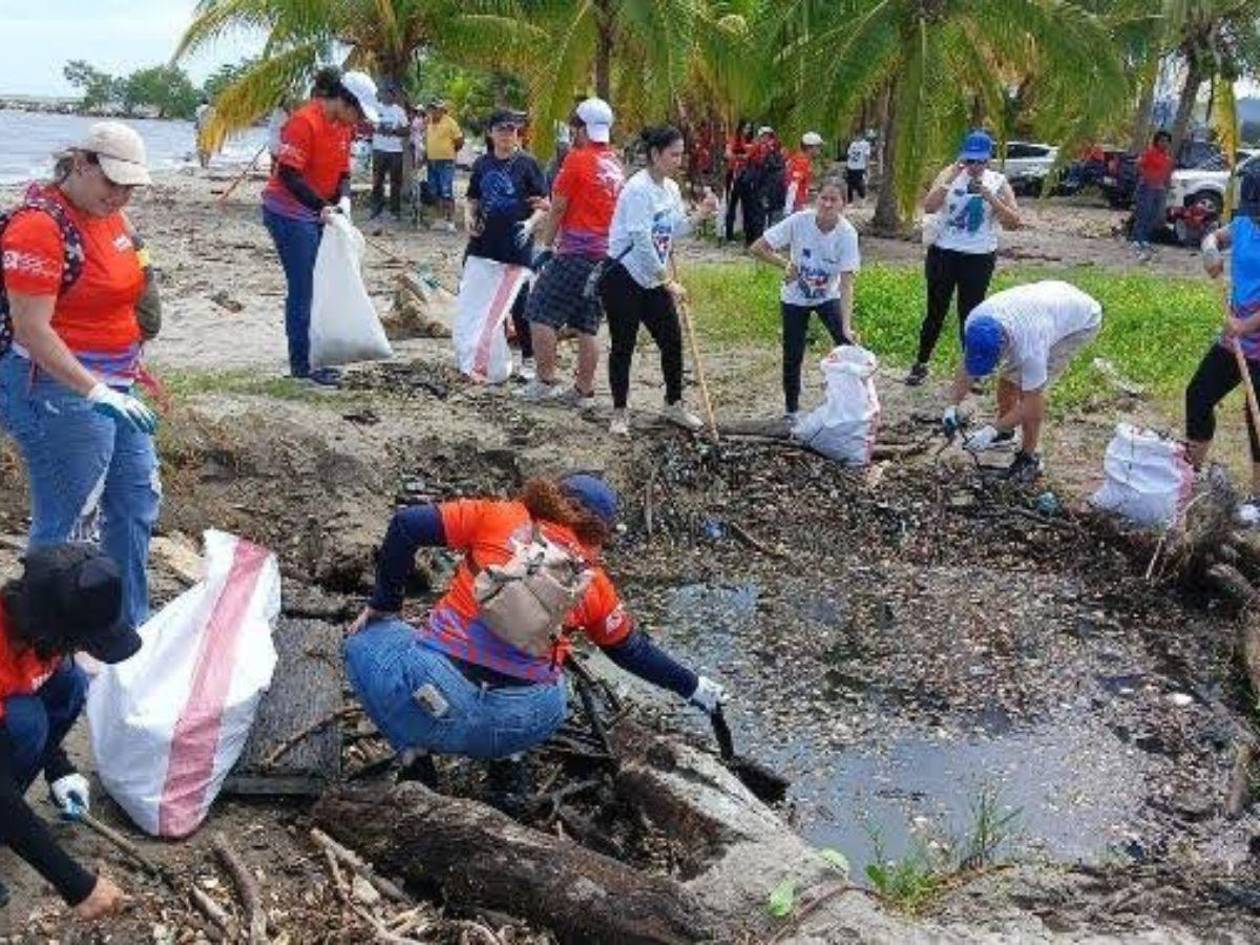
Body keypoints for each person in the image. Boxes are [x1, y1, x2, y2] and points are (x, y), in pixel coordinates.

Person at [343, 474, 727, 811]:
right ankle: (510, 762)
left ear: (552, 495)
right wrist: (695, 687)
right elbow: (632, 651)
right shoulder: (592, 581)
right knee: (556, 684)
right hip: (522, 720)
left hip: (436, 700)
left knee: (361, 642)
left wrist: (385, 605)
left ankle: (415, 757)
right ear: (601, 530)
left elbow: (407, 525)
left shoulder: (498, 516)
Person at [0, 121, 159, 633]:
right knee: (67, 520)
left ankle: (123, 623)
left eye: (129, 187)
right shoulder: (38, 227)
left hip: (118, 381)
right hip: (54, 389)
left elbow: (134, 267)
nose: (119, 196)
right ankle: (42, 643)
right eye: (111, 183)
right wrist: (93, 388)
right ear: (81, 163)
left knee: (135, 501)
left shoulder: (113, 217)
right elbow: (32, 329)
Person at [0, 543, 141, 919]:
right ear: (48, 626)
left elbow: (41, 681)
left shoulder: (37, 629)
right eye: (79, 640)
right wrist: (77, 885)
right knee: (25, 722)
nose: (81, 648)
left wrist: (59, 768)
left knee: (69, 681)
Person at [261, 68, 379, 386]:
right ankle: (302, 366)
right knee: (304, 287)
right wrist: (321, 206)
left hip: (317, 213)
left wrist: (342, 201)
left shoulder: (343, 128)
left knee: (320, 282)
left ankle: (315, 356)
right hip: (287, 212)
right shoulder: (304, 121)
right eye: (357, 111)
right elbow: (289, 174)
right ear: (343, 99)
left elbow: (342, 172)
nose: (358, 119)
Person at [602, 126, 719, 436]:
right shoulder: (637, 189)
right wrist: (667, 281)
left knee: (671, 340)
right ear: (655, 155)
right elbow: (641, 240)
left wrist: (700, 216)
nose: (679, 161)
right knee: (623, 344)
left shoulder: (670, 189)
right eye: (674, 154)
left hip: (653, 278)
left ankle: (673, 403)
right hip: (624, 275)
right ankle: (619, 411)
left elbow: (673, 230)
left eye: (681, 154)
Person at [941, 280, 1102, 482]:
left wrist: (991, 430)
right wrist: (951, 406)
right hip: (1049, 301)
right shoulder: (975, 321)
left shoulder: (1031, 347)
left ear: (1004, 344)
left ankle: (1029, 458)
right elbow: (966, 366)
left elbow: (1033, 405)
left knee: (1029, 389)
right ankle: (1005, 433)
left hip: (1082, 320)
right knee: (1008, 380)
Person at [519, 97, 625, 405]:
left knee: (538, 311)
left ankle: (545, 379)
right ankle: (583, 389)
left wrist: (545, 246)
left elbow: (559, 209)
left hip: (575, 252)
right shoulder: (616, 164)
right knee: (586, 323)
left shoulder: (576, 160)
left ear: (579, 129)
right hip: (604, 256)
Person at [906, 130, 1020, 386]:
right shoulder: (950, 174)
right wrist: (950, 179)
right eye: (970, 160)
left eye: (980, 161)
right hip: (944, 253)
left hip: (978, 257)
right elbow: (929, 206)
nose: (975, 167)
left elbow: (1014, 222)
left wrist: (991, 198)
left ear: (988, 160)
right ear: (962, 158)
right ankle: (921, 362)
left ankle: (973, 370)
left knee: (971, 314)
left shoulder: (999, 181)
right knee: (935, 311)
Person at [749, 176, 861, 420]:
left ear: (844, 204)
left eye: (834, 200)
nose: (827, 204)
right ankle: (791, 409)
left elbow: (846, 284)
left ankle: (850, 403)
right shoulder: (799, 221)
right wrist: (785, 264)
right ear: (816, 198)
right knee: (793, 353)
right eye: (824, 198)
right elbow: (757, 247)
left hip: (826, 296)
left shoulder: (847, 234)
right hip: (795, 297)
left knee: (847, 345)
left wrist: (847, 325)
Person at [1187, 169, 1260, 521]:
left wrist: (1245, 324)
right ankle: (1191, 475)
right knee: (1199, 394)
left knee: (1256, 416)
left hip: (1251, 332)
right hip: (1234, 337)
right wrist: (1209, 251)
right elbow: (1213, 237)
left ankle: (1259, 499)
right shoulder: (1245, 225)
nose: (1254, 215)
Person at [464, 109, 549, 379]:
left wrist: (530, 223)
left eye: (512, 130)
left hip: (516, 244)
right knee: (486, 299)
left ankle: (528, 356)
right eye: (501, 129)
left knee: (518, 302)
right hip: (484, 243)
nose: (507, 135)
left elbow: (544, 204)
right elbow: (473, 198)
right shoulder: (482, 164)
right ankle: (495, 356)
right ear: (490, 132)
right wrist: (468, 218)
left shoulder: (528, 164)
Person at [1132, 130, 1173, 262]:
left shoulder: (1167, 157)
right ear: (1157, 141)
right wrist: (1146, 177)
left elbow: (1167, 173)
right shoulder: (1149, 153)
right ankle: (1137, 239)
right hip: (1147, 187)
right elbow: (1138, 165)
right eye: (1161, 140)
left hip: (1160, 189)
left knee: (1155, 215)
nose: (1164, 143)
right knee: (1143, 212)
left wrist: (1166, 186)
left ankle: (1145, 239)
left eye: (1166, 141)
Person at [370, 84, 409, 222]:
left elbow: (406, 131)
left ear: (394, 96)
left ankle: (395, 211)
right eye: (386, 92)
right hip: (379, 150)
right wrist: (378, 128)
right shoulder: (376, 108)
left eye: (391, 93)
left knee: (395, 182)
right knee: (377, 181)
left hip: (395, 151)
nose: (388, 95)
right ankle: (376, 209)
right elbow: (370, 126)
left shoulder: (399, 111)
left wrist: (392, 131)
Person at [425, 101, 464, 232]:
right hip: (431, 161)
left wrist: (449, 152)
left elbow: (459, 141)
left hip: (446, 161)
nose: (433, 112)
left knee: (446, 191)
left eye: (435, 109)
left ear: (442, 110)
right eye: (431, 109)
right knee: (434, 191)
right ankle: (439, 220)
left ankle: (450, 221)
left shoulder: (450, 122)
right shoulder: (429, 121)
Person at [785, 132, 823, 213]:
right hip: (794, 206)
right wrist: (788, 210)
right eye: (818, 146)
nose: (820, 149)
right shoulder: (801, 161)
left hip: (797, 204)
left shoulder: (802, 159)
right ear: (810, 147)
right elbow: (793, 186)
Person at [845, 133, 872, 204]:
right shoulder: (852, 144)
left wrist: (867, 167)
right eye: (854, 136)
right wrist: (847, 165)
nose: (855, 137)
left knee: (859, 183)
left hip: (860, 167)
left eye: (856, 135)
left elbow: (867, 156)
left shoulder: (866, 144)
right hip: (851, 167)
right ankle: (850, 201)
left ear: (860, 136)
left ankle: (863, 198)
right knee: (849, 184)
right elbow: (849, 155)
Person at [194, 97, 215, 169]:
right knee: (209, 147)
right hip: (210, 130)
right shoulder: (213, 110)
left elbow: (197, 121)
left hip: (200, 130)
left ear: (201, 102)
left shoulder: (198, 109)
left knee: (200, 147)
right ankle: (207, 163)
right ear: (208, 102)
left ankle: (202, 163)